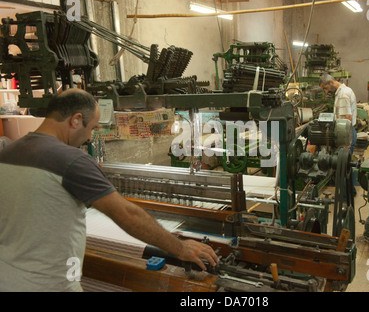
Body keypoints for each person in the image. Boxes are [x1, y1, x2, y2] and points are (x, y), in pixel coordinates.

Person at [0, 88, 218, 292]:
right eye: (92, 128)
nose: (89, 138)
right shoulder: (71, 160)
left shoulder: (9, 152)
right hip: (49, 284)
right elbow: (127, 214)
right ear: (76, 120)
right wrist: (180, 248)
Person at [319, 73, 357, 153]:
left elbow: (348, 118)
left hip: (345, 135)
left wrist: (345, 141)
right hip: (347, 133)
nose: (326, 92)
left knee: (343, 163)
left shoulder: (343, 95)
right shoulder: (345, 91)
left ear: (332, 82)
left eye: (326, 88)